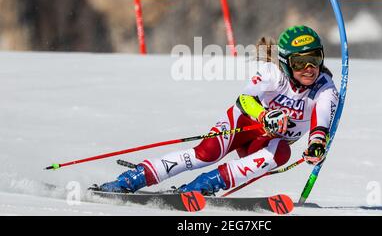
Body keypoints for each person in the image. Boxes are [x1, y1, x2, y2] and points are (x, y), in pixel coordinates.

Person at [96, 25, 339, 195]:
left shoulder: (324, 89)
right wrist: (264, 115)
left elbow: (321, 124)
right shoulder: (272, 74)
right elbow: (244, 100)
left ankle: (204, 185)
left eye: (315, 59)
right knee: (206, 153)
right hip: (243, 125)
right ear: (286, 63)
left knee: (282, 152)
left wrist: (316, 146)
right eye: (299, 63)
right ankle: (131, 180)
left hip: (264, 144)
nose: (309, 68)